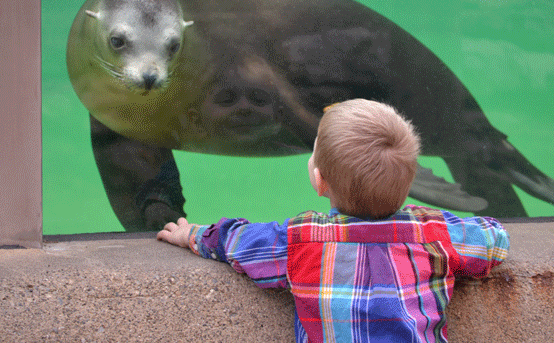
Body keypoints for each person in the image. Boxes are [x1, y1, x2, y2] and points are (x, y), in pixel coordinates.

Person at [157, 99, 509, 343]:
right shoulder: (434, 234)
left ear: (319, 180)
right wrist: (437, 220)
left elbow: (234, 241)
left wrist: (192, 234)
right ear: (411, 183)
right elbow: (495, 239)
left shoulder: (300, 240)